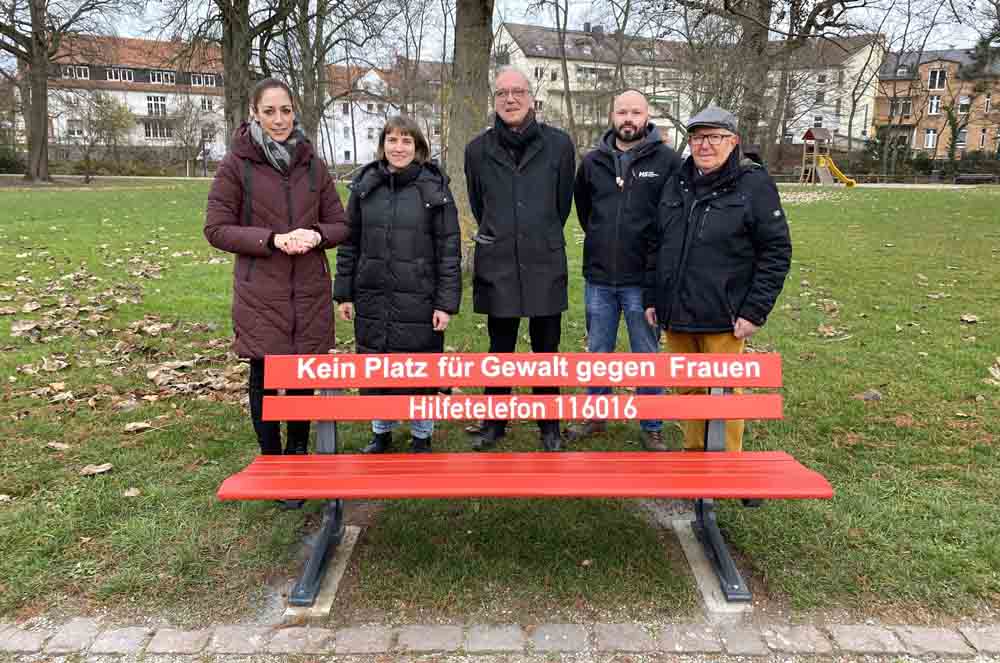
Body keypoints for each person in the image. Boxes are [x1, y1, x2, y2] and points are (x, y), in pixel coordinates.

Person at [205, 79, 350, 467]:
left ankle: (297, 452)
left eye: (285, 110)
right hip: (261, 292)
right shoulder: (237, 165)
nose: (279, 119)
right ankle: (271, 458)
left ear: (294, 111)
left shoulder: (313, 165)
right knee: (265, 375)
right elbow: (216, 229)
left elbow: (340, 224)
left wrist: (316, 235)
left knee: (302, 376)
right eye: (269, 111)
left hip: (309, 289)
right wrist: (271, 239)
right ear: (254, 113)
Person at [644, 106, 791, 452]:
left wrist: (754, 311)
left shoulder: (753, 185)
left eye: (714, 137)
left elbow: (776, 251)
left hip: (723, 316)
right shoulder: (677, 182)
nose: (704, 145)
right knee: (688, 391)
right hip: (676, 313)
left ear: (733, 141)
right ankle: (695, 459)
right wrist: (652, 296)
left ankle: (725, 467)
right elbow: (656, 243)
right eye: (697, 137)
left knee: (724, 394)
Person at [464, 66, 576, 452]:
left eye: (517, 92)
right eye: (501, 93)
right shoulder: (477, 150)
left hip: (544, 259)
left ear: (531, 97)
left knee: (546, 350)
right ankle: (494, 423)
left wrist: (536, 233)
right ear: (494, 99)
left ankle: (549, 426)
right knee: (500, 349)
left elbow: (561, 204)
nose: (509, 99)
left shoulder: (559, 145)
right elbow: (480, 204)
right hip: (498, 261)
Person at [334, 116, 461, 454]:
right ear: (383, 145)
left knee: (420, 367)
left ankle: (421, 434)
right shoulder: (365, 186)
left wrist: (445, 303)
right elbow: (349, 243)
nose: (399, 147)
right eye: (392, 140)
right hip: (372, 295)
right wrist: (344, 293)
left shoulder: (434, 188)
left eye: (406, 141)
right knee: (377, 365)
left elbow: (449, 248)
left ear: (418, 147)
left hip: (419, 297)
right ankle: (381, 431)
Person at [566, 89, 682, 451]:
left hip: (643, 280)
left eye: (635, 112)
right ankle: (595, 415)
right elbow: (585, 211)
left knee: (645, 356)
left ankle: (651, 424)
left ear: (647, 116)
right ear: (612, 115)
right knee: (598, 351)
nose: (628, 119)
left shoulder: (667, 161)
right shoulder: (592, 162)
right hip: (599, 277)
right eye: (622, 112)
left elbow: (672, 217)